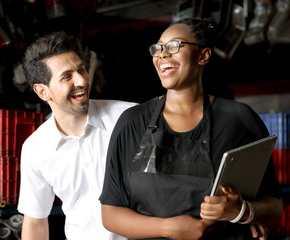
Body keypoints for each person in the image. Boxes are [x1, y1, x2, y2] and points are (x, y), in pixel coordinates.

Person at [100, 17, 283, 240]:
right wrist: (168, 228)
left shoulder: (239, 121)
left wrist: (242, 212)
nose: (162, 54)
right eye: (158, 48)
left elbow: (274, 207)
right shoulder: (132, 123)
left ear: (203, 56)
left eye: (174, 46)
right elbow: (110, 214)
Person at [17, 31, 137, 240]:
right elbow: (35, 222)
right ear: (43, 92)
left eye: (81, 69)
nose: (81, 81)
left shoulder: (129, 118)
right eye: (67, 76)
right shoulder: (36, 148)